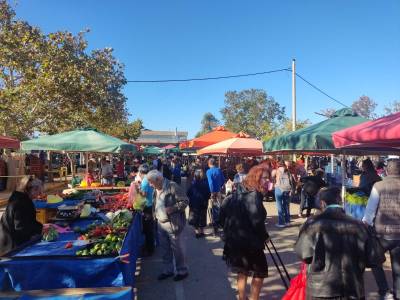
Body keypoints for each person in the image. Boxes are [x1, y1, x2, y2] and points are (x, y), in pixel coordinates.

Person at [295, 187, 385, 300]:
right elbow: (375, 258)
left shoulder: (312, 224)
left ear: (322, 203)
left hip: (320, 290)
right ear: (341, 203)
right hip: (353, 288)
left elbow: (304, 254)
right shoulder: (359, 226)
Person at [219, 165, 270, 300]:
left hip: (235, 240)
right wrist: (265, 236)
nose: (267, 181)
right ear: (256, 178)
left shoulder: (239, 190)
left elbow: (222, 212)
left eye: (268, 178)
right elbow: (256, 220)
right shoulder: (254, 195)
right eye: (264, 178)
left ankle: (242, 298)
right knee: (260, 272)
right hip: (250, 242)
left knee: (242, 270)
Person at [363, 159, 400, 299]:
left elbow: (370, 209)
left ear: (387, 170)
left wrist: (365, 223)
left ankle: (384, 291)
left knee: (374, 261)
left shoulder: (378, 185)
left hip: (382, 234)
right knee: (398, 267)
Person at [147, 170, 189, 281]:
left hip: (172, 223)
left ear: (159, 179)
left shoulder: (172, 186)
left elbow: (185, 201)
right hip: (160, 223)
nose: (150, 185)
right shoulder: (155, 188)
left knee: (177, 249)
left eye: (151, 182)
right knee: (165, 249)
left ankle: (182, 271)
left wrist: (173, 208)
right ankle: (168, 270)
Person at [0, 176, 43, 255]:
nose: (40, 195)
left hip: (8, 242)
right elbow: (21, 227)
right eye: (39, 192)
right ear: (32, 190)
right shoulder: (21, 202)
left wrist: (41, 226)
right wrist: (40, 229)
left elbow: (28, 221)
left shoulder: (19, 198)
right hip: (13, 248)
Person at [187, 169, 210, 238]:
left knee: (195, 218)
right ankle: (202, 232)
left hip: (194, 204)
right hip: (203, 203)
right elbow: (208, 194)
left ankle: (197, 232)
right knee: (202, 217)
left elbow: (188, 193)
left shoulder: (193, 184)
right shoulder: (205, 183)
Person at [138, 164, 155, 256]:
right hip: (151, 204)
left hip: (147, 206)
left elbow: (143, 194)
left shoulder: (144, 181)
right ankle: (150, 246)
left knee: (147, 229)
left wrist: (138, 190)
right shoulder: (149, 179)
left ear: (141, 172)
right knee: (150, 228)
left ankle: (149, 249)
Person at [206, 158, 225, 234]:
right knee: (218, 206)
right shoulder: (219, 170)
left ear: (209, 163)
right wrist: (219, 187)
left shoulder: (208, 171)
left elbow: (210, 182)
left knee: (213, 207)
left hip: (212, 192)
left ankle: (215, 224)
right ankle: (218, 222)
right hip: (218, 191)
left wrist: (212, 191)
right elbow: (223, 180)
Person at [273, 160, 295, 228]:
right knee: (286, 205)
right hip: (288, 189)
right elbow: (291, 180)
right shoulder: (287, 171)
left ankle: (281, 223)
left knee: (279, 205)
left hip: (279, 188)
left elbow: (272, 177)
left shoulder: (276, 170)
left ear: (278, 164)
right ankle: (287, 221)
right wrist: (292, 189)